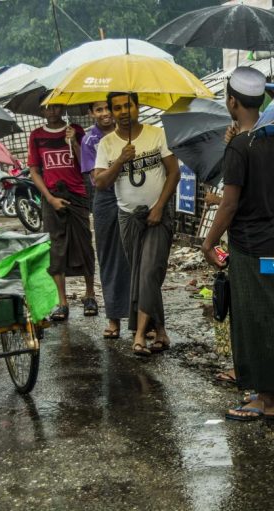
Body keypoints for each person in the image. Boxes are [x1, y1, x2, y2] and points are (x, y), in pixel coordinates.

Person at [202, 67, 274, 421]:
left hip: (247, 243)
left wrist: (208, 242)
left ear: (232, 102)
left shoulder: (238, 147)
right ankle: (268, 393)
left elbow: (230, 203)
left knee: (254, 320)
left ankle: (268, 399)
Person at [94, 92, 180, 357]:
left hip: (157, 216)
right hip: (127, 217)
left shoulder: (156, 134)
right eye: (117, 107)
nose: (122, 111)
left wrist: (159, 207)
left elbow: (174, 172)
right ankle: (161, 331)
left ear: (137, 107)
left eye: (127, 106)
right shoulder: (106, 144)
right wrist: (120, 159)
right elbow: (100, 183)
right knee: (144, 275)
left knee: (148, 272)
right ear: (111, 111)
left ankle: (140, 334)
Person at [28, 101, 97, 321]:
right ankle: (62, 301)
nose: (52, 111)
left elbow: (85, 163)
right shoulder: (36, 136)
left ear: (63, 108)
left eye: (56, 106)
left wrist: (74, 142)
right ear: (41, 111)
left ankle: (90, 294)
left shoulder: (75, 130)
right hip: (51, 197)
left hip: (77, 194)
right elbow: (34, 170)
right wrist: (49, 198)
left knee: (84, 244)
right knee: (55, 249)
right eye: (47, 107)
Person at [81, 100, 131, 340]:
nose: (105, 114)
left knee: (136, 259)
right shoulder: (90, 141)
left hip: (133, 196)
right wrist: (121, 159)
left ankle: (141, 317)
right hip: (107, 200)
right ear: (91, 113)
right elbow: (98, 179)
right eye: (98, 109)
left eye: (107, 108)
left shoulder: (132, 134)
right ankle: (113, 317)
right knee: (110, 258)